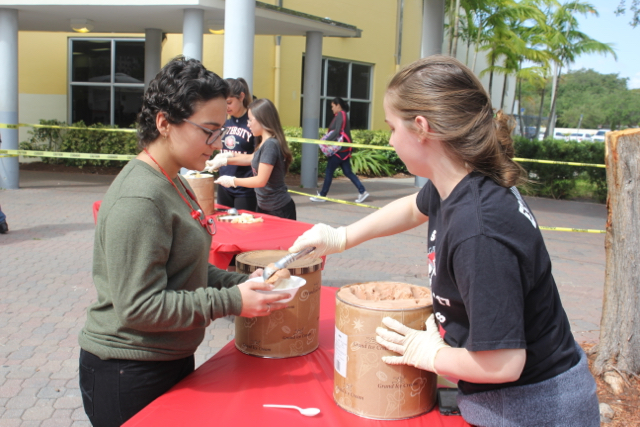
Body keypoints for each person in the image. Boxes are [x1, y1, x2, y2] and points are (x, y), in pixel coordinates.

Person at [289, 56, 599, 426]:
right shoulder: (456, 182)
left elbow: (503, 363)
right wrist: (340, 236)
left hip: (534, 409)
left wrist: (430, 356)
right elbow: (411, 207)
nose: (389, 139)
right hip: (505, 400)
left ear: (421, 128)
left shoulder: (478, 231)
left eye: (391, 127)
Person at [78, 57, 290, 427]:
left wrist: (246, 282)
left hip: (164, 358)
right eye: (208, 130)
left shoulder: (171, 177)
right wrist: (233, 301)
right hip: (129, 370)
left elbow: (187, 268)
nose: (218, 143)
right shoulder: (140, 199)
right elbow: (139, 307)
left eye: (221, 130)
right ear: (164, 123)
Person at [215, 98, 296, 220]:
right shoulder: (263, 142)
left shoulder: (270, 145)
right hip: (265, 207)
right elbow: (252, 158)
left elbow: (260, 180)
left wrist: (233, 181)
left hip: (278, 209)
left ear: (262, 120)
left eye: (250, 120)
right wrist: (226, 158)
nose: (248, 124)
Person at [208, 77, 257, 211]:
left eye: (229, 102)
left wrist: (226, 161)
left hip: (245, 188)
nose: (226, 107)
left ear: (241, 96)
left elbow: (256, 157)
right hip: (224, 185)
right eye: (223, 103)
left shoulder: (252, 122)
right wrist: (217, 160)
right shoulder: (225, 122)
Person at [310, 97, 369, 204]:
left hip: (340, 150)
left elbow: (337, 132)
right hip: (344, 150)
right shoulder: (341, 115)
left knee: (329, 172)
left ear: (338, 105)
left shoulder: (341, 114)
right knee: (348, 172)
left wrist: (325, 141)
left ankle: (323, 195)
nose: (331, 109)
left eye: (332, 106)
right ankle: (362, 191)